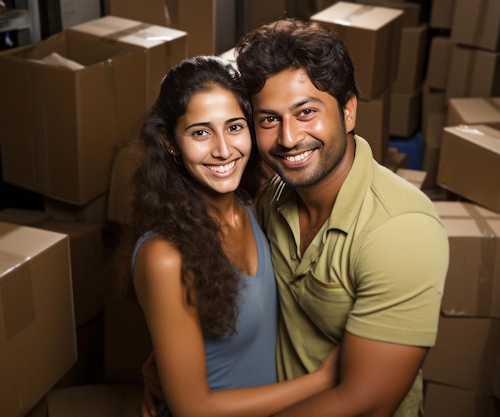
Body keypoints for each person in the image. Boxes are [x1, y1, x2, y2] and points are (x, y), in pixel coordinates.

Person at [141, 19, 449, 417]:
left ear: (349, 111)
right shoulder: (271, 200)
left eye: (306, 112)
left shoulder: (400, 230)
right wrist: (166, 363)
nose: (288, 138)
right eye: (269, 119)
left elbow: (366, 404)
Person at [121, 55, 338, 417]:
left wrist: (162, 361)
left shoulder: (254, 205)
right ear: (170, 141)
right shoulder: (165, 256)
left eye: (235, 127)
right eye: (200, 132)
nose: (223, 149)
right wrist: (323, 380)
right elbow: (193, 408)